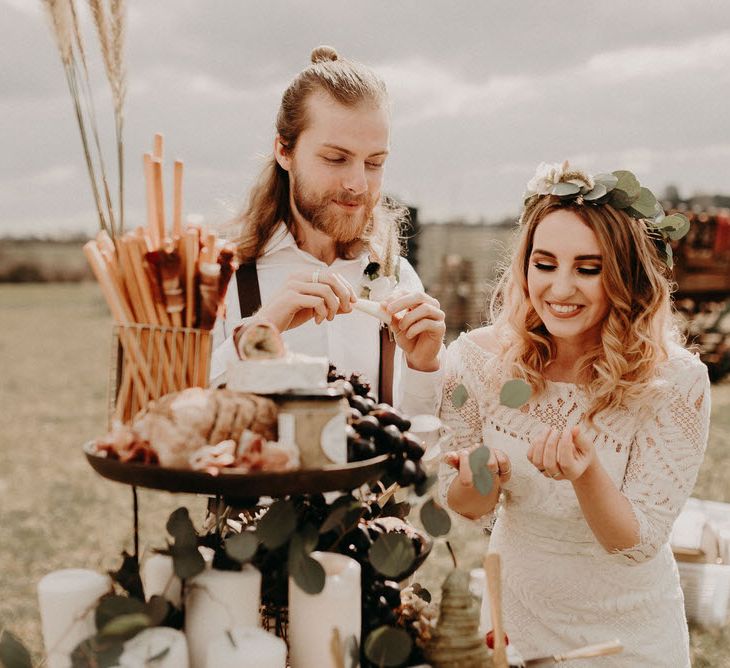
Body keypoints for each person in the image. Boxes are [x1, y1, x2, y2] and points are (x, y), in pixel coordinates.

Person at [429, 162, 710, 665]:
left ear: (625, 276)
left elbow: (636, 544)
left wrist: (587, 476)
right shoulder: (477, 360)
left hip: (629, 640)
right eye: (544, 263)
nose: (559, 288)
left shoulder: (675, 381)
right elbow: (468, 509)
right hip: (515, 625)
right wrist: (479, 477)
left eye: (588, 268)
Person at [211, 46, 444, 407]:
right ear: (284, 152)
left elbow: (418, 443)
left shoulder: (398, 277)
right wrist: (262, 327)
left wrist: (424, 367)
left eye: (374, 162)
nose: (359, 184)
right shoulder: (219, 279)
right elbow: (180, 418)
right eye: (336, 158)